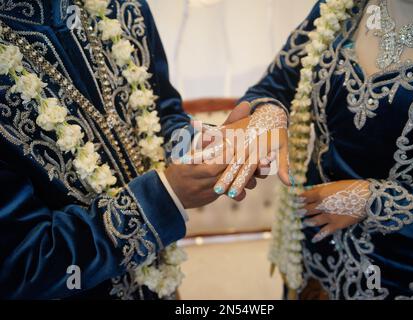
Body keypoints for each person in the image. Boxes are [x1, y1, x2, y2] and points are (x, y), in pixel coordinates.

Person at [0, 0, 263, 299]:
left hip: (160, 282)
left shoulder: (124, 8)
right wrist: (163, 196)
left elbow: (162, 112)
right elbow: (21, 266)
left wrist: (205, 148)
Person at [220, 0, 413, 299]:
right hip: (317, 250)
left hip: (412, 275)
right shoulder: (340, 8)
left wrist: (374, 201)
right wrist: (269, 113)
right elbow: (276, 85)